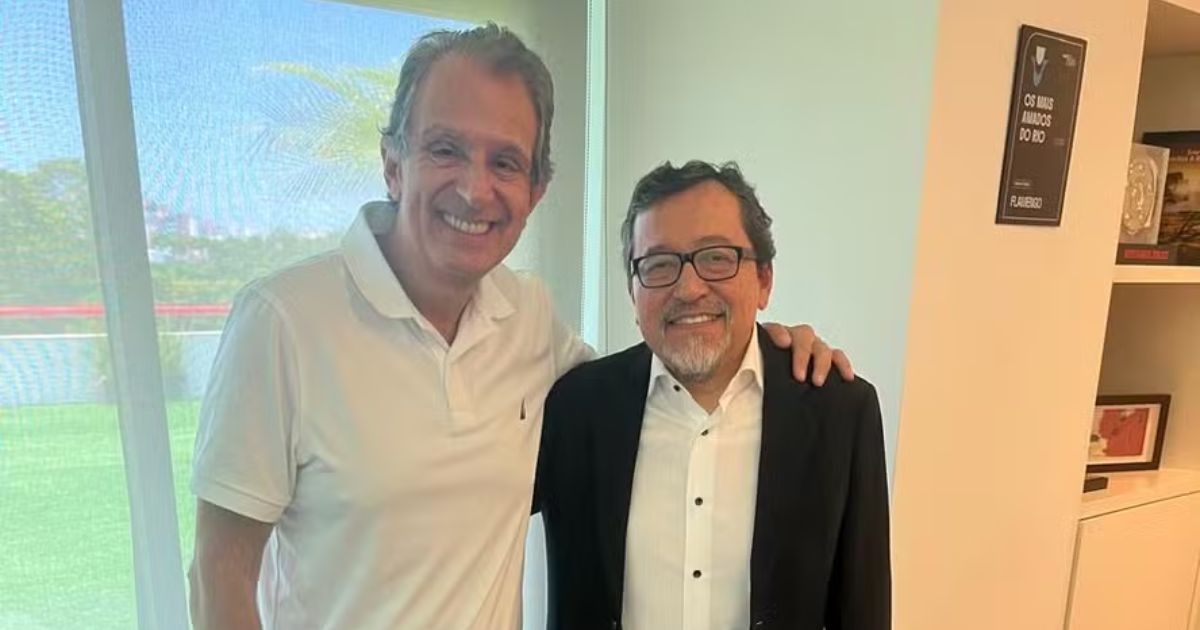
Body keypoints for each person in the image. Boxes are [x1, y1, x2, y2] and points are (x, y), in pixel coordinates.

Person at [187, 25, 853, 630]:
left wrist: (762, 347)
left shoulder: (529, 319)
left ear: (536, 190)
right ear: (393, 162)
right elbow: (219, 574)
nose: (475, 189)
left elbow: (645, 380)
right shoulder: (282, 322)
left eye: (505, 162)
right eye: (445, 149)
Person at [536, 161, 890, 630]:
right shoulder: (575, 408)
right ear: (632, 293)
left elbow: (863, 609)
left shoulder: (840, 412)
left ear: (763, 280)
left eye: (717, 258)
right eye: (659, 264)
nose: (688, 288)